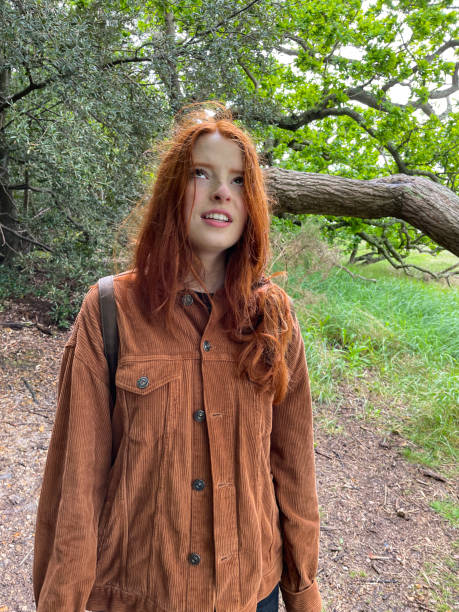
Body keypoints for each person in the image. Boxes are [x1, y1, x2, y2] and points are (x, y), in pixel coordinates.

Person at [33, 105, 322, 612]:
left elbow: (294, 469)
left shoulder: (274, 319)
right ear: (173, 190)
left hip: (250, 593)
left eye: (237, 179)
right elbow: (76, 482)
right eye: (201, 174)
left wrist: (302, 591)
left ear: (250, 202)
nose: (221, 192)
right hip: (137, 594)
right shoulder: (109, 311)